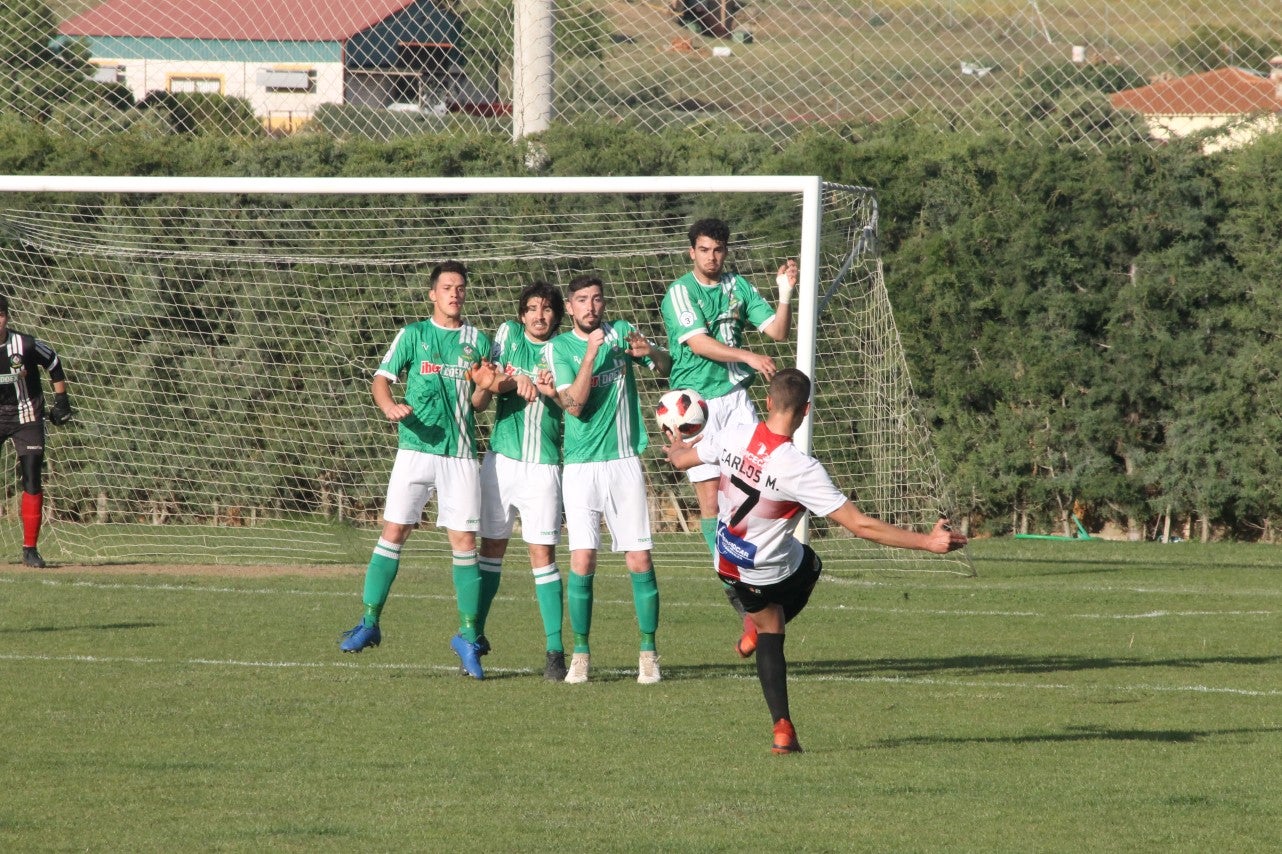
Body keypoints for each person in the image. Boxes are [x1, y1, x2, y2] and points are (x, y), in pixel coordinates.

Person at [663, 368, 967, 754]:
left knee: (769, 622)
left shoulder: (732, 435)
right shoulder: (801, 470)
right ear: (805, 411)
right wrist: (928, 542)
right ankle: (767, 666)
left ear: (769, 402)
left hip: (726, 560)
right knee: (810, 566)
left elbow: (682, 460)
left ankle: (782, 726)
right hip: (769, 568)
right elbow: (861, 526)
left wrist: (674, 442)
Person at [337, 261, 500, 681]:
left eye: (461, 288)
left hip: (461, 454)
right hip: (414, 449)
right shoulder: (413, 335)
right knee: (394, 531)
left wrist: (483, 384)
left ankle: (467, 636)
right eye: (447, 287)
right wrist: (388, 405)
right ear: (433, 294)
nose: (455, 294)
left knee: (464, 541)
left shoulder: (477, 340)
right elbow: (380, 378)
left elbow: (481, 404)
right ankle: (369, 622)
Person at [661, 217, 798, 649]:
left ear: (726, 251)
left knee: (753, 488)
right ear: (692, 252)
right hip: (695, 407)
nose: (712, 257)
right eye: (704, 249)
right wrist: (749, 355)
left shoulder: (738, 285)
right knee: (709, 502)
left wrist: (784, 292)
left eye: (718, 249)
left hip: (736, 400)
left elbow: (777, 330)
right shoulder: (680, 291)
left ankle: (760, 592)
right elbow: (698, 343)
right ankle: (743, 605)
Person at [549, 274, 672, 684]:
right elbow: (575, 406)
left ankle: (648, 653)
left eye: (597, 299)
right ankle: (581, 654)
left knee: (639, 558)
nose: (591, 307)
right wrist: (589, 355)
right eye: (582, 300)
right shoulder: (559, 348)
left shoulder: (621, 332)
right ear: (570, 307)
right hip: (581, 467)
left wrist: (649, 350)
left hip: (623, 461)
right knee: (583, 559)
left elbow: (666, 366)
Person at [473, 281, 569, 681]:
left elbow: (573, 401)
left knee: (541, 555)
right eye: (531, 308)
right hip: (500, 462)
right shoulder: (506, 335)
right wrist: (513, 381)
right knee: (490, 548)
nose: (538, 315)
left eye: (546, 309)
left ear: (557, 316)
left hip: (544, 467)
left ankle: (555, 650)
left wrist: (542, 387)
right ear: (521, 314)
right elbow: (482, 392)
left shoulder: (563, 351)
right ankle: (472, 636)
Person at [0, 295, 73, 568]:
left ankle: (30, 549)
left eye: (1, 315)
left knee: (31, 477)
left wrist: (62, 401)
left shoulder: (25, 344)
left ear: (7, 317)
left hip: (27, 415)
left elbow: (53, 360)